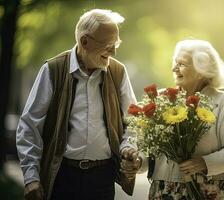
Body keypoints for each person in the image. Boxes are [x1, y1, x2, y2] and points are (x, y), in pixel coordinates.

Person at [16, 9, 139, 200]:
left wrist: (127, 146)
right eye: (108, 44)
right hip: (62, 176)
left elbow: (134, 121)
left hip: (102, 178)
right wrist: (31, 177)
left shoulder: (118, 72)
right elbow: (29, 126)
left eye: (116, 44)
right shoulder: (53, 69)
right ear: (84, 41)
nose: (114, 51)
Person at [122, 39, 224, 199]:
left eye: (182, 64)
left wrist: (203, 163)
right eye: (175, 63)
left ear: (202, 70)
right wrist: (138, 162)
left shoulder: (222, 101)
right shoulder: (160, 99)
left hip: (210, 191)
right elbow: (150, 149)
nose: (174, 68)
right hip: (166, 192)